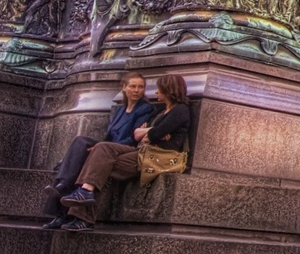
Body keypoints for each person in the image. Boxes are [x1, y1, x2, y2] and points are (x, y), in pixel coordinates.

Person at [58, 74, 190, 231]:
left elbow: (153, 134)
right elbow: (138, 134)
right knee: (102, 148)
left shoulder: (181, 111)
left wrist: (150, 132)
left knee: (102, 166)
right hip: (144, 150)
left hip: (157, 156)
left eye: (159, 90)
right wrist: (151, 132)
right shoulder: (161, 113)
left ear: (168, 90)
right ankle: (85, 192)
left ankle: (83, 216)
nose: (156, 93)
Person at [40, 70, 155, 229]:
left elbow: (133, 138)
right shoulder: (119, 110)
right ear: (124, 88)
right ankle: (62, 191)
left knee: (94, 156)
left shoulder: (145, 109)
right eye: (133, 86)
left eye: (141, 87)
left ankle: (71, 210)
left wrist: (102, 147)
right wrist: (99, 146)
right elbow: (109, 136)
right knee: (81, 142)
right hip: (109, 146)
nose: (137, 90)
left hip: (126, 149)